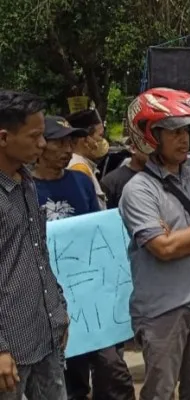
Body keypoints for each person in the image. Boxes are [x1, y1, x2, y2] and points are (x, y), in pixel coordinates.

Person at [119, 88, 190, 399]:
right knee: (161, 389)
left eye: (187, 131)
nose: (184, 139)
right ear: (151, 135)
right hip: (163, 308)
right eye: (173, 132)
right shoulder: (138, 190)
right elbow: (162, 249)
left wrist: (184, 238)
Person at [32, 115, 136, 400]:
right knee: (70, 374)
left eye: (70, 141)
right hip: (51, 298)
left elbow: (98, 230)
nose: (68, 149)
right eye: (59, 142)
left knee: (111, 367)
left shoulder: (81, 180)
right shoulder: (26, 187)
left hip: (92, 294)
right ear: (41, 146)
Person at [0, 90, 69, 399]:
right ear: (4, 138)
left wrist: (58, 310)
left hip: (45, 335)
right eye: (35, 136)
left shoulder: (27, 182)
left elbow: (37, 253)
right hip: (9, 352)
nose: (43, 144)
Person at [66, 109, 108, 210]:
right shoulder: (79, 168)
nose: (102, 140)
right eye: (100, 136)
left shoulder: (82, 164)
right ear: (85, 139)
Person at [100, 138, 149, 209]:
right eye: (147, 148)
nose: (152, 152)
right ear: (133, 148)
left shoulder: (161, 178)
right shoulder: (111, 181)